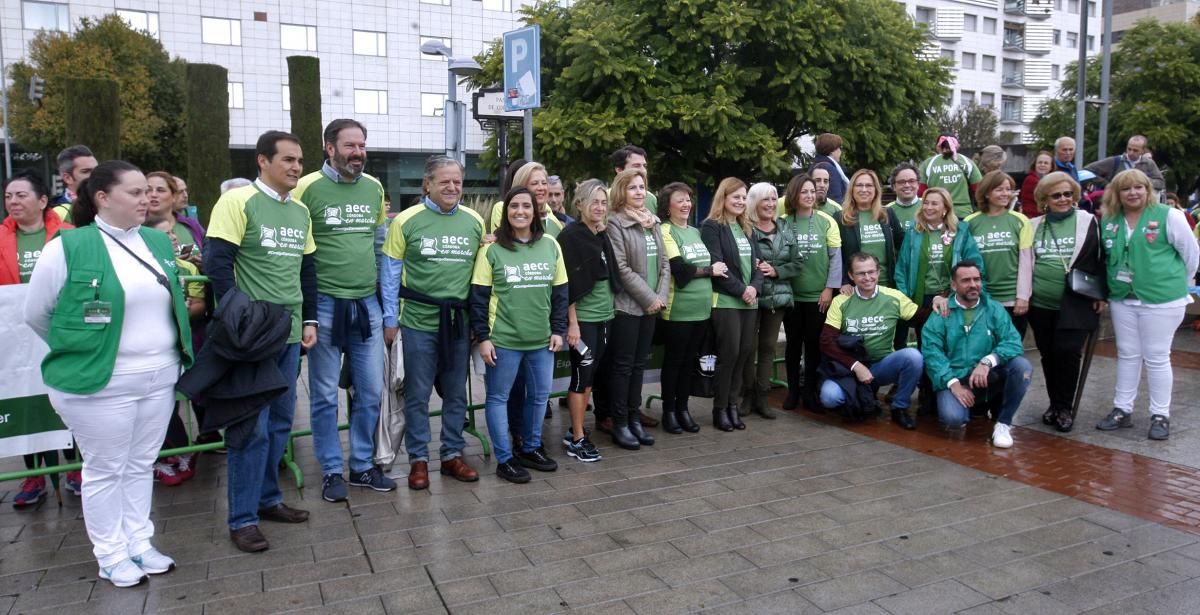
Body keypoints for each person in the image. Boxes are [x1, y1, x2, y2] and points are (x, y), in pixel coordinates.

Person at [24, 160, 192, 587]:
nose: (147, 198)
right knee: (105, 468)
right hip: (100, 381)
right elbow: (38, 314)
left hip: (158, 377)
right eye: (135, 193)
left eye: (149, 192)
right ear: (102, 198)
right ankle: (111, 553)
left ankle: (139, 542)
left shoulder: (156, 242)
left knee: (140, 464)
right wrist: (85, 349)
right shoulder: (68, 246)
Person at [205, 131, 317, 553]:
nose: (295, 167)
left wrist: (309, 319)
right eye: (287, 159)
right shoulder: (236, 202)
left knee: (280, 424)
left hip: (289, 334)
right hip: (252, 337)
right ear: (262, 161)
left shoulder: (301, 211)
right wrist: (238, 319)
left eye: (299, 160)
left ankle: (269, 499)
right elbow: (218, 266)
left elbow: (307, 270)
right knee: (249, 429)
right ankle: (242, 518)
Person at [293, 119, 395, 502]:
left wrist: (386, 306)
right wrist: (307, 312)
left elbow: (379, 243)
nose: (358, 153)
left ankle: (362, 466)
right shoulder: (305, 188)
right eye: (350, 145)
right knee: (322, 395)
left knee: (370, 390)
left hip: (365, 304)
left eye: (362, 145)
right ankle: (332, 470)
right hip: (323, 304)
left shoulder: (373, 188)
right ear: (329, 147)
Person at [381, 156, 484, 489]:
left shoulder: (474, 222)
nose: (452, 187)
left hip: (458, 322)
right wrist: (390, 319)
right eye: (444, 181)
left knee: (456, 395)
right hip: (417, 321)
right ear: (427, 184)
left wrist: (476, 323)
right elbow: (390, 273)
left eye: (457, 182)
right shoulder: (405, 221)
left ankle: (452, 454)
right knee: (417, 395)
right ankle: (418, 460)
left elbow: (480, 276)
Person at [471, 187, 568, 482]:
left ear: (536, 212)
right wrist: (483, 337)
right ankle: (504, 458)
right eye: (514, 206)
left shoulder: (551, 244)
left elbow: (561, 291)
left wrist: (558, 329)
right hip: (504, 341)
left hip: (542, 340)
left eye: (526, 206)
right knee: (498, 398)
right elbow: (478, 297)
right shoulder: (491, 249)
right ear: (506, 212)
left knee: (539, 397)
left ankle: (530, 447)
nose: (520, 211)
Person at [1096, 169, 1199, 441]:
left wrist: (1177, 281)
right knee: (1127, 353)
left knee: (1156, 355)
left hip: (1162, 298)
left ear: (1148, 190)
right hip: (1123, 296)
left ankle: (1160, 414)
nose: (1133, 193)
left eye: (1139, 187)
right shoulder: (1109, 219)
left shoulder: (1170, 216)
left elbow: (1191, 255)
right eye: (1126, 189)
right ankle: (1122, 409)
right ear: (1117, 194)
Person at [2, 170, 75, 507]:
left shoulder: (69, 236)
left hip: (60, 333)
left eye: (21, 195)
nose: (13, 202)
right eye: (8, 196)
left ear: (43, 200)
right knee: (29, 402)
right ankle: (34, 476)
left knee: (65, 399)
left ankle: (75, 468)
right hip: (16, 339)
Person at [1021, 172, 1105, 433]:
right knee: (1048, 355)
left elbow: (1102, 258)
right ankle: (1054, 404)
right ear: (1045, 199)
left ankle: (1065, 407)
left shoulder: (1088, 221)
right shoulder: (1033, 225)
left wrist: (1101, 294)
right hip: (1041, 304)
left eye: (1068, 194)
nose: (1063, 199)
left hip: (1077, 302)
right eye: (1056, 195)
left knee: (1068, 353)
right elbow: (1026, 263)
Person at [921, 261, 1033, 448]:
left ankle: (1003, 423)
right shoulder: (940, 313)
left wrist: (987, 361)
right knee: (953, 419)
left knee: (1022, 367)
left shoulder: (994, 309)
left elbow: (1013, 342)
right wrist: (953, 384)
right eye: (966, 280)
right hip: (955, 378)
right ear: (954, 285)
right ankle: (972, 406)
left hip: (988, 375)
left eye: (976, 279)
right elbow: (932, 354)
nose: (973, 284)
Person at [894, 187, 984, 418]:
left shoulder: (961, 231)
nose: (929, 207)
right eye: (926, 203)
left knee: (950, 346)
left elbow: (974, 264)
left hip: (951, 299)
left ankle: (952, 393)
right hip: (922, 300)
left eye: (935, 203)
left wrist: (956, 296)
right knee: (927, 348)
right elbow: (902, 268)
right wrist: (906, 301)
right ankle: (927, 397)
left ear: (946, 208)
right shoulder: (915, 232)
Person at [605, 168, 670, 448]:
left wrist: (661, 296)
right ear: (621, 191)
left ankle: (634, 418)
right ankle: (619, 423)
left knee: (639, 365)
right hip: (628, 308)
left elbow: (665, 263)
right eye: (633, 188)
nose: (639, 192)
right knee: (623, 367)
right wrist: (649, 298)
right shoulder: (615, 223)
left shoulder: (652, 222)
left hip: (652, 306)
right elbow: (621, 268)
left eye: (642, 187)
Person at [819, 253, 922, 427]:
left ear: (878, 272)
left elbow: (921, 317)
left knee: (913, 357)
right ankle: (859, 402)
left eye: (871, 272)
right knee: (830, 397)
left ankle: (899, 407)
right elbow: (826, 341)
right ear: (851, 276)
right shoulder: (841, 301)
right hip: (849, 368)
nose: (867, 277)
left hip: (881, 366)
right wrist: (856, 366)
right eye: (860, 273)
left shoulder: (893, 296)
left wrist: (940, 301)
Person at [144, 215, 206, 486]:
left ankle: (182, 452)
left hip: (183, 344)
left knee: (178, 397)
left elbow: (198, 304)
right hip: (148, 348)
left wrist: (180, 308)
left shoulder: (187, 268)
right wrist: (179, 305)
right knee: (155, 405)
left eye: (172, 233)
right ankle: (159, 457)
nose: (171, 238)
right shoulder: (141, 267)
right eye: (163, 234)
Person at [657, 182, 723, 432]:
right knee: (674, 362)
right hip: (679, 310)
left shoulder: (695, 232)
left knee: (689, 363)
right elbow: (680, 270)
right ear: (667, 205)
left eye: (688, 200)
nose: (686, 204)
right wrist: (710, 271)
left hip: (702, 309)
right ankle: (669, 411)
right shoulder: (666, 230)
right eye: (679, 200)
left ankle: (683, 409)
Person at [702, 177, 763, 431]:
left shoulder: (746, 227)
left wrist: (754, 288)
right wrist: (742, 290)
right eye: (735, 196)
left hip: (749, 301)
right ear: (723, 198)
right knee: (730, 354)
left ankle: (732, 406)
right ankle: (720, 408)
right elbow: (718, 266)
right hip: (726, 301)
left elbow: (759, 265)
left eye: (743, 197)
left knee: (745, 353)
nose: (740, 201)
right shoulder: (711, 226)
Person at [558, 179, 614, 459]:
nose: (599, 208)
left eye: (603, 203)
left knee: (590, 377)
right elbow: (566, 283)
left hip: (605, 316)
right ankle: (578, 438)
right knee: (581, 377)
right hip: (584, 320)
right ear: (579, 204)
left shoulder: (600, 233)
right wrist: (572, 323)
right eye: (594, 202)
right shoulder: (571, 236)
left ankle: (576, 430)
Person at [781, 174, 842, 411]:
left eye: (811, 191)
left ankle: (810, 393)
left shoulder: (827, 221)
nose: (808, 195)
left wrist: (830, 288)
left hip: (819, 296)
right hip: (792, 296)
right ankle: (793, 390)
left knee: (814, 345)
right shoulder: (783, 222)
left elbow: (835, 258)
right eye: (803, 191)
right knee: (793, 345)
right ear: (794, 195)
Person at [743, 182, 799, 420]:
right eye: (765, 199)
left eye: (774, 199)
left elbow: (797, 262)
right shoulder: (744, 227)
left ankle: (763, 397)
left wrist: (776, 271)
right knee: (747, 348)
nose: (770, 204)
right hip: (750, 296)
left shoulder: (785, 227)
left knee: (767, 347)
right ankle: (745, 395)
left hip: (778, 296)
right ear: (754, 202)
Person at [964, 171, 1034, 336]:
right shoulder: (970, 222)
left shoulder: (1020, 220)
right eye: (999, 189)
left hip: (1012, 300)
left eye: (1008, 189)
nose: (1005, 194)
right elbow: (964, 262)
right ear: (987, 193)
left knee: (1011, 351)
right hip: (981, 298)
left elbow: (1026, 263)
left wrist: (1023, 297)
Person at [837, 169, 904, 292]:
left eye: (869, 185)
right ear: (852, 189)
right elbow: (836, 255)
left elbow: (903, 246)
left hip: (887, 285)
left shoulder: (887, 214)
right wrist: (844, 281)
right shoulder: (840, 217)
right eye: (859, 185)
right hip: (854, 288)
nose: (864, 190)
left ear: (876, 190)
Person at [488, 162, 564, 237]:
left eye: (544, 183)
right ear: (521, 187)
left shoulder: (555, 224)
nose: (541, 188)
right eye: (534, 183)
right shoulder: (505, 213)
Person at [146, 172, 204, 267]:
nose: (153, 194)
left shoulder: (191, 225)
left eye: (160, 190)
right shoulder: (134, 228)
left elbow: (212, 257)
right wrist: (171, 263)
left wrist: (204, 263)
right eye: (148, 190)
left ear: (174, 196)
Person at [919, 134, 982, 220]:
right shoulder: (967, 162)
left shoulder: (928, 163)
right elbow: (979, 190)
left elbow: (920, 192)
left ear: (938, 146)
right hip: (963, 213)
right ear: (957, 145)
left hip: (936, 214)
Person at [1085, 135, 1165, 191]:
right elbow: (1087, 170)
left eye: (1135, 150)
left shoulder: (1149, 163)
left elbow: (1160, 183)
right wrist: (1108, 185)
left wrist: (1143, 181)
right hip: (1116, 204)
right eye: (1129, 149)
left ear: (1143, 151)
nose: (1131, 153)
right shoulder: (1115, 161)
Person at [50, 145, 98, 222]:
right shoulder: (56, 214)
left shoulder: (108, 204)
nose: (95, 175)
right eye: (86, 171)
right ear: (68, 178)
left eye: (97, 170)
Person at [612, 144, 657, 211]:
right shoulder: (604, 197)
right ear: (619, 170)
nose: (643, 171)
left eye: (645, 166)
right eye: (636, 166)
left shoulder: (651, 198)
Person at [811, 133, 849, 204]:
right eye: (839, 148)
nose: (840, 152)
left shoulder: (816, 164)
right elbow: (835, 198)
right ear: (832, 151)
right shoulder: (827, 168)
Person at [886, 162, 922, 235]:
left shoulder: (929, 206)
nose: (907, 185)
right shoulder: (885, 211)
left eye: (911, 181)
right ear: (893, 186)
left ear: (918, 184)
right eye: (902, 182)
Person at [1019, 150, 1054, 218]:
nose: (1042, 165)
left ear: (1051, 167)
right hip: (1033, 217)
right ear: (1035, 165)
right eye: (1040, 162)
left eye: (1046, 163)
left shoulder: (1050, 180)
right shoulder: (1031, 180)